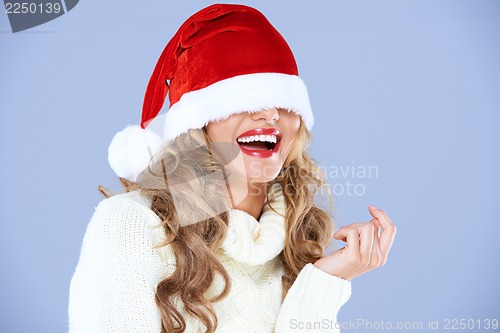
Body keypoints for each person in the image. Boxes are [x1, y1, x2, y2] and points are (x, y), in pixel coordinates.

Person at [68, 4, 396, 333]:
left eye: (283, 100)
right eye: (245, 98)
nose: (268, 114)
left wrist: (324, 282)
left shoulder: (300, 245)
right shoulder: (131, 225)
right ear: (198, 124)